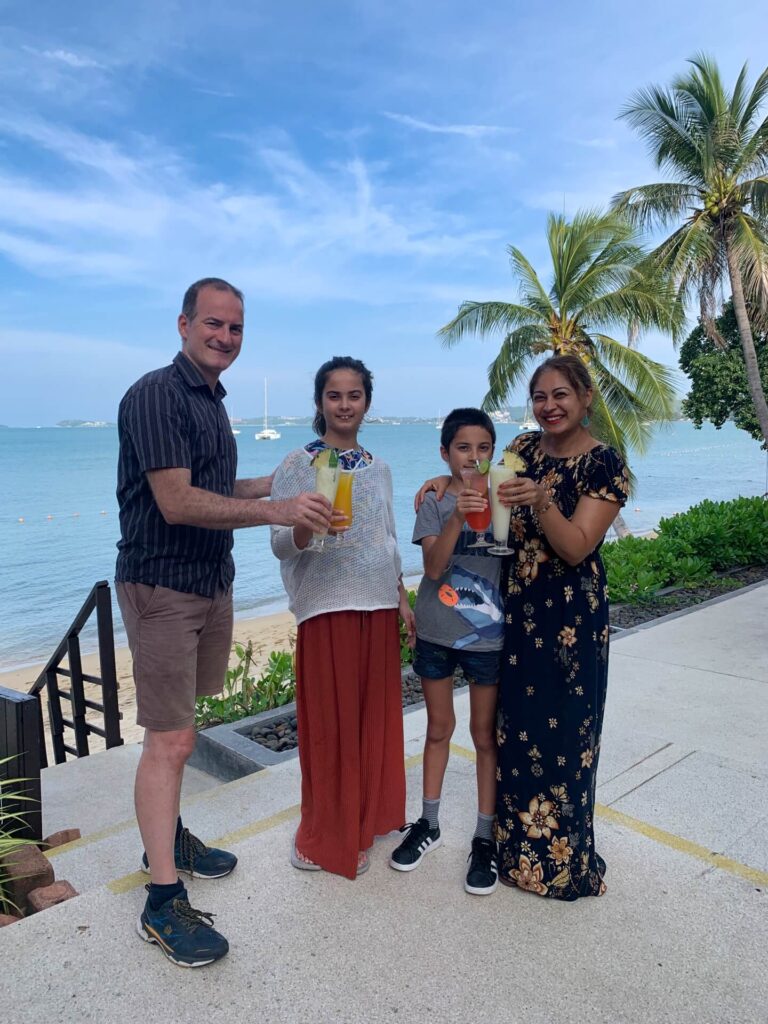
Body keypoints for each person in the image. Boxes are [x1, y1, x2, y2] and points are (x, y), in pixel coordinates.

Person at [115, 278, 331, 967]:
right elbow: (176, 502)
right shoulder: (156, 394)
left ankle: (169, 838)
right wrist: (275, 513)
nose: (226, 338)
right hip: (163, 585)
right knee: (170, 741)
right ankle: (161, 899)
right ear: (183, 324)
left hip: (209, 582)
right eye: (214, 324)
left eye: (236, 329)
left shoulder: (213, 401)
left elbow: (212, 486)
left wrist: (275, 483)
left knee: (181, 729)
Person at [417, 355, 628, 900]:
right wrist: (446, 479)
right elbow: (479, 473)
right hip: (516, 612)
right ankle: (511, 849)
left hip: (569, 619)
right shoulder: (525, 450)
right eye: (540, 396)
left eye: (561, 395)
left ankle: (560, 860)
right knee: (516, 734)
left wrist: (541, 501)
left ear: (585, 398)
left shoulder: (604, 464)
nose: (549, 406)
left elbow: (577, 547)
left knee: (567, 735)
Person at [270, 356, 415, 880]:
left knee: (373, 721)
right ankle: (325, 834)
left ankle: (368, 816)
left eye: (355, 395)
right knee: (330, 728)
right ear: (319, 403)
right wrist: (306, 526)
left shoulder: (378, 468)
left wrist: (401, 596)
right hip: (326, 606)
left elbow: (390, 540)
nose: (345, 404)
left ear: (367, 402)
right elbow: (282, 545)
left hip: (377, 604)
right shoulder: (296, 465)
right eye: (335, 396)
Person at [389, 408, 503, 896]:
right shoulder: (433, 502)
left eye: (482, 448)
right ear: (445, 453)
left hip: (489, 636)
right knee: (438, 729)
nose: (472, 458)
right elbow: (433, 569)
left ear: (493, 453)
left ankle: (484, 836)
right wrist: (457, 510)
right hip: (436, 631)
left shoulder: (505, 500)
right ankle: (429, 823)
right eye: (462, 448)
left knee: (484, 736)